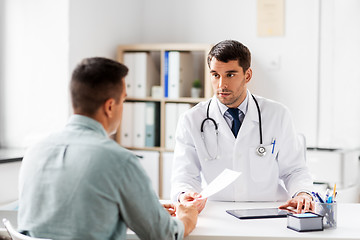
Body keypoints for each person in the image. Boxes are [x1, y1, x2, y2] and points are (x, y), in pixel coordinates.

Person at [18, 57, 198, 240]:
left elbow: (64, 221)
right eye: (123, 101)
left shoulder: (35, 152)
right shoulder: (120, 161)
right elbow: (164, 234)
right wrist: (187, 218)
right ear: (110, 106)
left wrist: (140, 210)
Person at [171, 40, 314, 214]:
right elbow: (184, 175)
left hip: (268, 213)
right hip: (217, 213)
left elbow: (294, 170)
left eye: (230, 75)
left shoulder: (278, 114)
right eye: (215, 75)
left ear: (247, 75)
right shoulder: (191, 120)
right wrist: (185, 194)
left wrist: (302, 193)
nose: (221, 84)